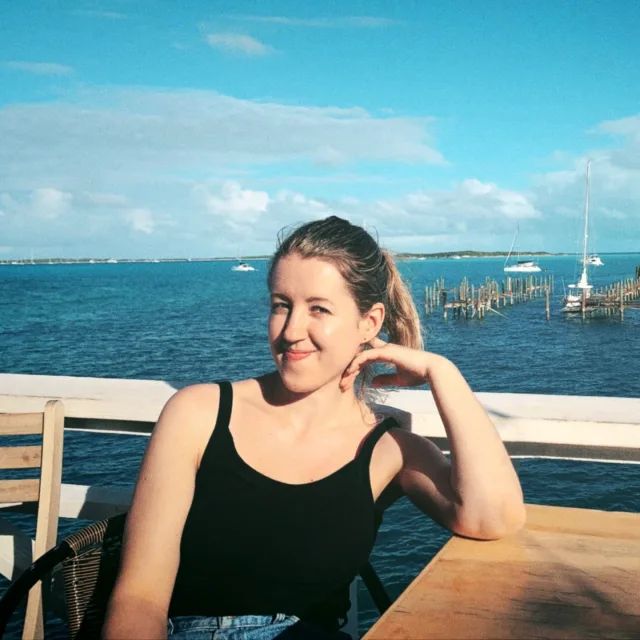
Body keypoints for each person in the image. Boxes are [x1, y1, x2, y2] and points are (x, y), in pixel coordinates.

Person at [103, 216, 525, 639]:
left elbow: (494, 517)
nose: (290, 331)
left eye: (318, 309)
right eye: (280, 305)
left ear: (369, 324)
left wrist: (441, 372)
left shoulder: (388, 450)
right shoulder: (199, 414)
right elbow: (139, 598)